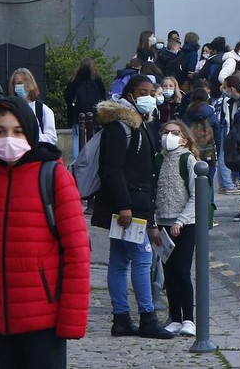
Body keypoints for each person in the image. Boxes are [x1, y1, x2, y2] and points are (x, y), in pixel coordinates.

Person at [0, 97, 91, 368]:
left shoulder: (54, 176)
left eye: (17, 131)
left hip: (43, 319)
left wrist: (71, 319)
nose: (9, 138)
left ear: (30, 132)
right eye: (0, 131)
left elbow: (77, 252)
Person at [90, 75, 174, 339]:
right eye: (143, 91)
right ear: (131, 95)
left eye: (152, 91)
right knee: (141, 259)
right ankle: (147, 318)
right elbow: (113, 170)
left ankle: (122, 318)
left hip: (134, 203)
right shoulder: (120, 127)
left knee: (120, 259)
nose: (149, 96)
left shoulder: (141, 125)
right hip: (128, 205)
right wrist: (125, 205)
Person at [154, 120, 198, 336]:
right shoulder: (157, 159)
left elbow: (195, 193)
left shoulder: (187, 159)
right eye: (166, 132)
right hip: (162, 222)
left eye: (175, 132)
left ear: (184, 137)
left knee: (182, 271)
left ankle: (189, 318)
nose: (169, 136)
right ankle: (175, 317)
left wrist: (181, 220)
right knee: (169, 272)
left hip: (185, 224)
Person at [64, 58, 106, 161]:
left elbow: (67, 96)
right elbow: (103, 97)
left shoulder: (74, 80)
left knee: (76, 138)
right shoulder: (97, 80)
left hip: (77, 115)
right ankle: (92, 162)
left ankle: (76, 162)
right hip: (94, 115)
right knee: (94, 139)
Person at [9, 68, 58, 145]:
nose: (23, 86)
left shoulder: (42, 109)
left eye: (25, 82)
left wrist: (29, 138)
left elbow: (51, 138)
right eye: (18, 83)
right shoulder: (10, 109)